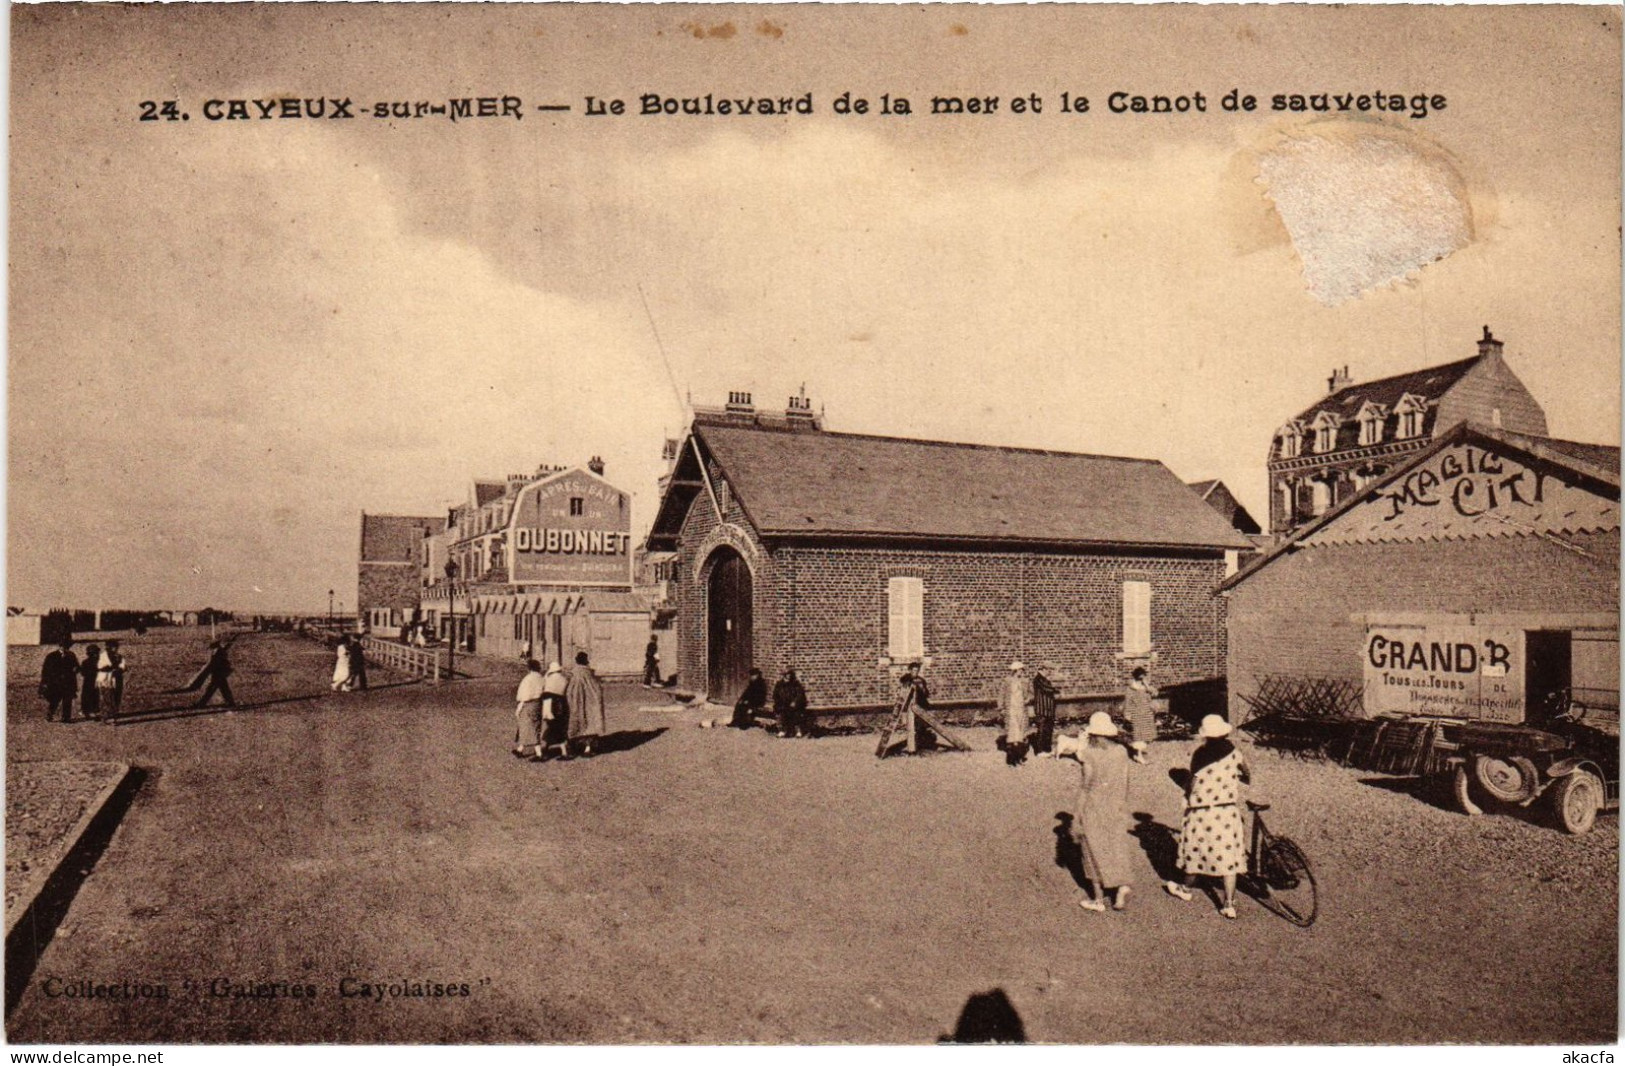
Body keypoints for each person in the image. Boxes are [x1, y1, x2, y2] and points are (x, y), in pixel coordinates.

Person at [1166, 715, 1251, 919]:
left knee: (1195, 848)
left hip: (1204, 811)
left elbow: (1193, 783)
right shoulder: (1235, 753)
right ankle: (1229, 903)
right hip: (1227, 811)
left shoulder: (1200, 755)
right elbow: (1247, 774)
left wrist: (1187, 795)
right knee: (1228, 855)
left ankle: (1185, 889)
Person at [1062, 711, 1135, 912]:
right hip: (1116, 805)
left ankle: (1098, 900)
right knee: (1116, 847)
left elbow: (1086, 786)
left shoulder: (1089, 755)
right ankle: (1120, 888)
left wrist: (1076, 817)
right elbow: (1125, 782)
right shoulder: (1121, 751)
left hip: (1094, 807)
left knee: (1092, 852)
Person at [565, 651, 607, 757]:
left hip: (576, 702)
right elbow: (597, 689)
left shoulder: (574, 674)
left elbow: (569, 689)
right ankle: (588, 748)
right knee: (590, 723)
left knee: (576, 722)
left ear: (576, 661)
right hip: (590, 702)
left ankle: (572, 746)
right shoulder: (590, 674)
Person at [513, 660, 547, 761]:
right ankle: (520, 749)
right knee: (531, 726)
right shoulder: (541, 678)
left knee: (528, 727)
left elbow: (524, 695)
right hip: (538, 704)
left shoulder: (528, 679)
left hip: (528, 704)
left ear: (529, 668)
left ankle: (539, 753)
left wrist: (520, 706)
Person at [1123, 666, 1157, 763]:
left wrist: (1147, 686)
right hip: (1137, 714)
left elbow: (1155, 694)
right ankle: (1139, 755)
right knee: (1139, 736)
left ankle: (1138, 754)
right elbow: (1128, 702)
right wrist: (1127, 714)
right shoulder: (1131, 689)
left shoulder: (1146, 687)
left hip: (1147, 714)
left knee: (1147, 736)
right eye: (1140, 678)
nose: (1141, 680)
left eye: (1143, 678)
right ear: (1136, 677)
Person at [40, 639, 79, 722]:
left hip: (68, 681)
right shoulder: (51, 656)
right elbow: (46, 670)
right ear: (60, 646)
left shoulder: (71, 655)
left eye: (67, 646)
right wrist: (45, 682)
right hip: (56, 682)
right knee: (55, 699)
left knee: (67, 700)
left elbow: (77, 666)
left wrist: (76, 669)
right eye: (64, 646)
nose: (66, 648)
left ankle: (66, 718)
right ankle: (50, 715)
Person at [1001, 661, 1031, 764]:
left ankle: (1019, 756)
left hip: (1021, 709)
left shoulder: (1025, 681)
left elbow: (1030, 694)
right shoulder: (1007, 681)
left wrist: (1028, 699)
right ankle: (1012, 759)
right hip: (1011, 709)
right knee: (1014, 734)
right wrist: (1001, 708)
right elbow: (1002, 695)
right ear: (1016, 670)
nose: (1022, 672)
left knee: (1021, 734)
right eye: (1021, 670)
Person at [541, 661, 571, 760]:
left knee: (550, 727)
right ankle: (562, 751)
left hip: (550, 704)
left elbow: (544, 688)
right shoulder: (564, 679)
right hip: (562, 704)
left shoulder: (549, 679)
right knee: (559, 727)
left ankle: (547, 751)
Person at [195, 640, 237, 708]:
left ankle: (201, 703)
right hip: (220, 673)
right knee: (224, 688)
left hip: (218, 673)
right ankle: (230, 702)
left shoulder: (218, 652)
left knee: (211, 689)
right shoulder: (219, 651)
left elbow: (213, 664)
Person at [773, 667, 810, 738]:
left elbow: (800, 694)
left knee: (796, 712)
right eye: (787, 674)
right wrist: (779, 702)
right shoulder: (779, 684)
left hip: (794, 704)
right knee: (781, 711)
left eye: (789, 674)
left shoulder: (795, 684)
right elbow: (775, 695)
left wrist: (795, 702)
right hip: (783, 704)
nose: (788, 676)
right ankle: (782, 730)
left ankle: (798, 730)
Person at [96, 641, 122, 718]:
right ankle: (106, 714)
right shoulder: (102, 656)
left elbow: (123, 666)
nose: (116, 649)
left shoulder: (118, 656)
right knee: (106, 696)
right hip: (104, 678)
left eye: (117, 647)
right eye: (114, 647)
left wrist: (118, 669)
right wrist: (111, 667)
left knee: (115, 695)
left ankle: (113, 713)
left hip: (114, 678)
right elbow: (100, 666)